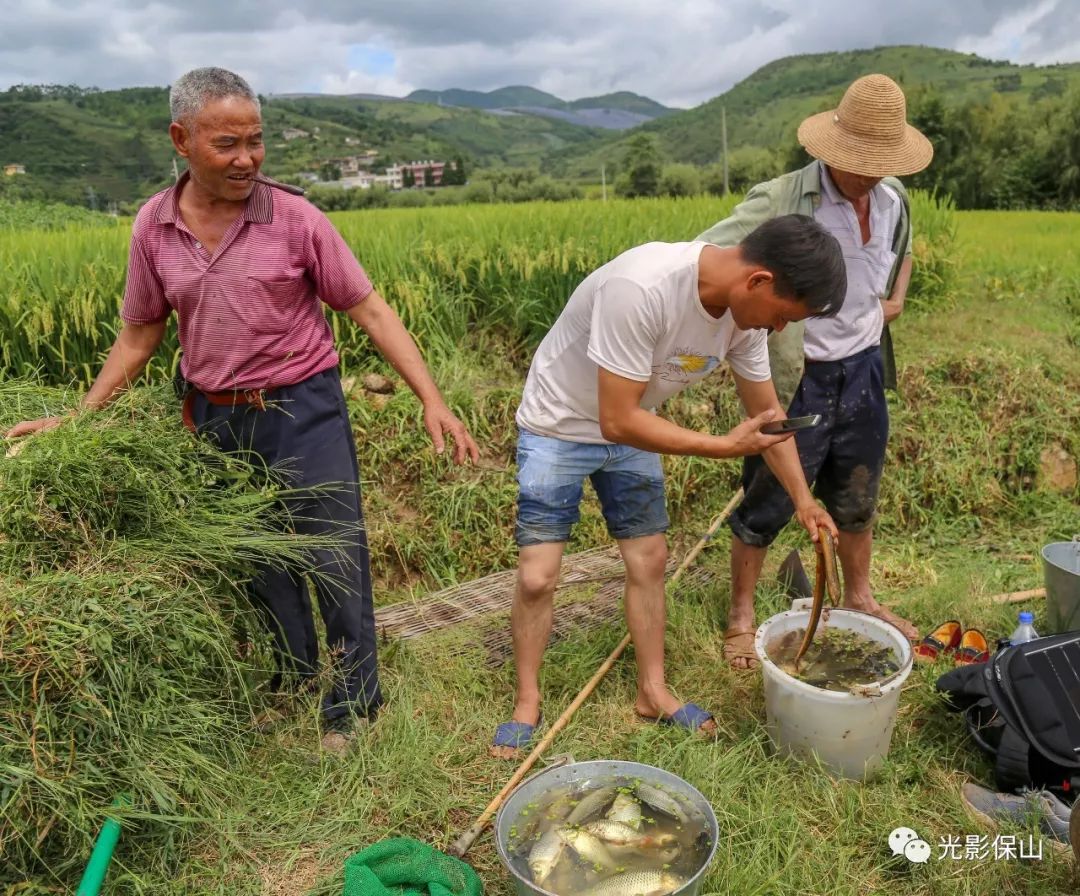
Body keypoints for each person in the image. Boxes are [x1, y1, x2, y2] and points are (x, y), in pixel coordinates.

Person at [5, 67, 478, 753]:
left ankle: (351, 706)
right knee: (261, 562)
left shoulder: (295, 217)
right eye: (228, 144)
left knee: (332, 555)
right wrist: (79, 418)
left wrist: (432, 398)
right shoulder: (153, 227)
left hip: (303, 407)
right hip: (217, 420)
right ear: (181, 140)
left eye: (256, 141)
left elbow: (368, 308)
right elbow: (140, 334)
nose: (247, 159)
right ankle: (296, 685)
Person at [489, 215, 845, 758]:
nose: (776, 330)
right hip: (559, 423)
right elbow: (617, 421)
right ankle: (527, 701)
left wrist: (804, 500)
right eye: (782, 317)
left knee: (649, 559)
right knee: (538, 576)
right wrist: (722, 446)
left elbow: (769, 417)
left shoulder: (744, 321)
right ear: (759, 281)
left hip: (636, 420)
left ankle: (652, 692)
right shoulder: (643, 288)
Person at [696, 74, 932, 669]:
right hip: (799, 375)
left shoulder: (894, 200)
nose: (870, 174)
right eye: (862, 161)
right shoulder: (780, 200)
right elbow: (706, 261)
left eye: (883, 162)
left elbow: (897, 258)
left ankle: (859, 596)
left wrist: (888, 306)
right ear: (832, 147)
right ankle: (741, 617)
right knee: (768, 497)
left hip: (863, 369)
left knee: (857, 491)